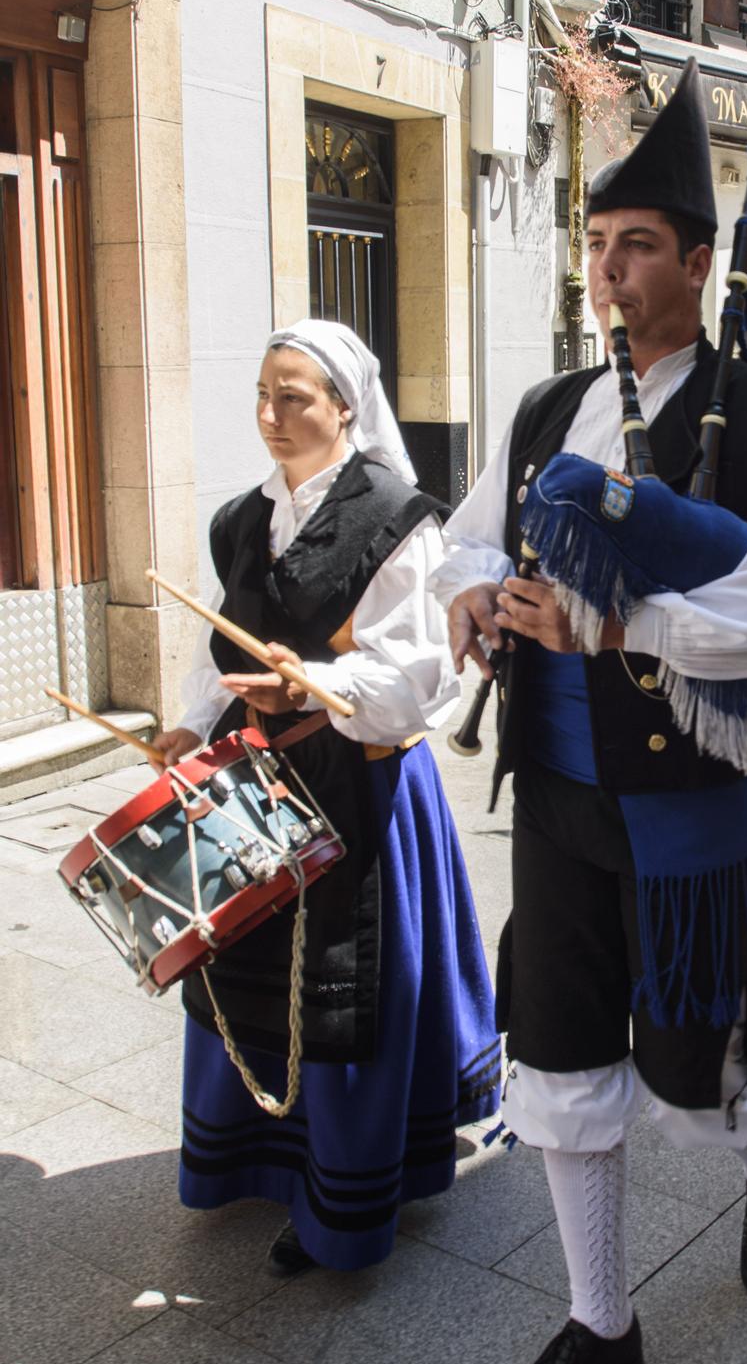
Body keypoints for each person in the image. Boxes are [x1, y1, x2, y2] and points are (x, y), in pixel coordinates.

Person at [437, 61, 747, 1364]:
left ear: (694, 258)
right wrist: (472, 589)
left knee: (693, 1073)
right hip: (554, 794)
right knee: (558, 1059)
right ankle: (598, 1326)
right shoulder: (551, 408)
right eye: (597, 246)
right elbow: (479, 528)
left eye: (635, 247)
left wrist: (624, 619)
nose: (610, 271)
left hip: (683, 807)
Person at [153, 320, 499, 1275]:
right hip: (253, 778)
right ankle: (253, 1156)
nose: (272, 414)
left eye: (294, 395)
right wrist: (192, 722)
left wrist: (310, 681)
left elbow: (420, 676)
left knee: (345, 985)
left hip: (359, 777)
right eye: (264, 393)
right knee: (245, 965)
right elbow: (218, 646)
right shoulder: (239, 519)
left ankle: (343, 1183)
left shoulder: (399, 518)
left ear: (345, 405)